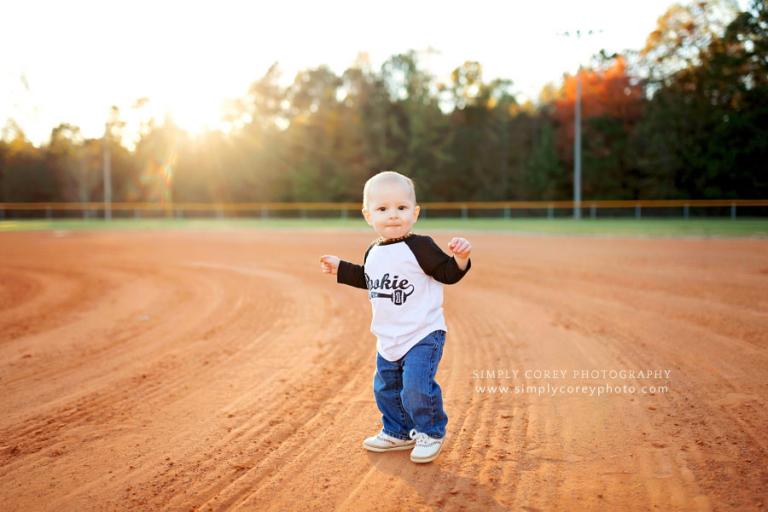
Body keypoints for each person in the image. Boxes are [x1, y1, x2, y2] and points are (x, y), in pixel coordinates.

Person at [319, 171, 472, 463]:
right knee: (386, 388)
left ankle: (430, 431)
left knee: (416, 385)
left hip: (422, 333)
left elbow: (447, 273)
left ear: (414, 213)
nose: (392, 216)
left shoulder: (420, 246)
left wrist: (460, 259)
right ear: (368, 215)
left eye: (401, 208)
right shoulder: (374, 251)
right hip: (388, 336)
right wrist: (341, 268)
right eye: (382, 209)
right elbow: (368, 278)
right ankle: (398, 432)